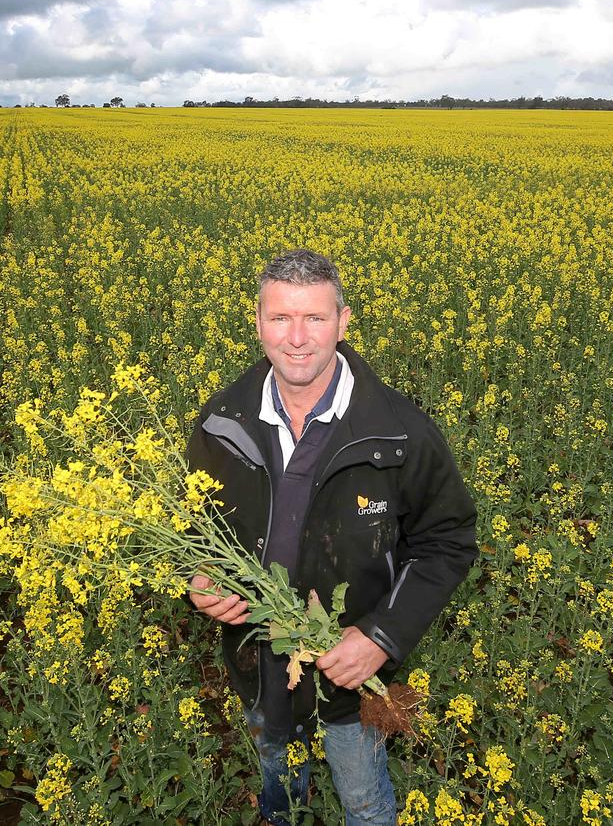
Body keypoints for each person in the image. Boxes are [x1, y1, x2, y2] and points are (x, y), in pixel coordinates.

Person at [187, 249, 478, 825]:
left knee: (364, 801)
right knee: (279, 788)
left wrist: (382, 636)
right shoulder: (221, 423)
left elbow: (447, 540)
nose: (297, 338)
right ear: (257, 322)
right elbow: (191, 527)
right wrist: (193, 581)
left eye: (315, 319)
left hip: (348, 676)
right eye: (281, 318)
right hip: (261, 665)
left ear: (343, 323)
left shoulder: (400, 433)